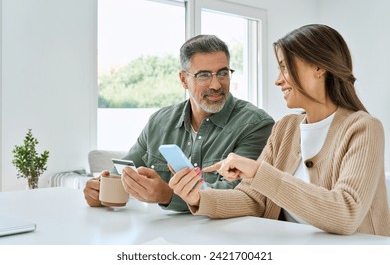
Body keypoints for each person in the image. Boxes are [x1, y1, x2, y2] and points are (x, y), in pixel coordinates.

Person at [169, 24, 390, 236]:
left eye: (284, 67)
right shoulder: (285, 128)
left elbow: (346, 213)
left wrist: (258, 172)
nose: (278, 80)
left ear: (319, 67)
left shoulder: (364, 128)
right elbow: (254, 199)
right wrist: (199, 197)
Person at [83, 35, 275, 212]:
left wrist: (167, 195)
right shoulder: (159, 122)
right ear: (184, 80)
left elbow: (241, 196)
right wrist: (101, 190)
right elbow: (124, 172)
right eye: (204, 75)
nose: (216, 85)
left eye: (223, 73)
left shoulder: (256, 125)